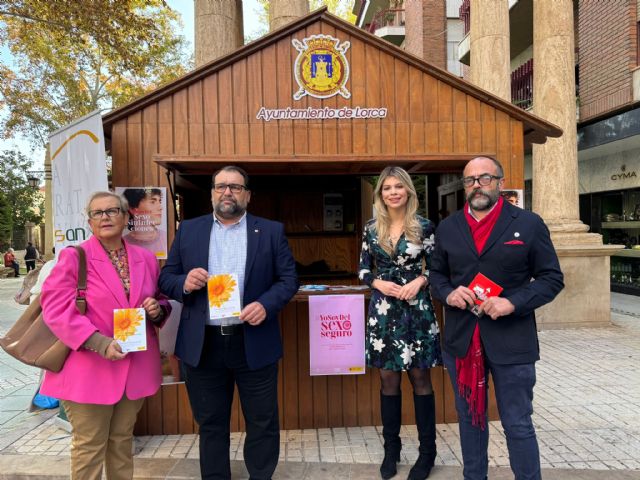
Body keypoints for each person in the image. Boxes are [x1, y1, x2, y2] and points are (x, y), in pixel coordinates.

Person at [159, 166, 298, 480]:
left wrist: (266, 305)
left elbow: (289, 279)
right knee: (211, 423)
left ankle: (260, 476)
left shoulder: (271, 231)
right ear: (212, 193)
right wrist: (184, 282)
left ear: (247, 195)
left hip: (253, 340)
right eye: (221, 186)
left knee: (262, 421)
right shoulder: (189, 230)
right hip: (203, 344)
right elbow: (166, 278)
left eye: (235, 187)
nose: (227, 192)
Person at [429, 156, 564, 480]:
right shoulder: (448, 228)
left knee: (517, 422)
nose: (477, 185)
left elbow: (551, 279)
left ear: (500, 183)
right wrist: (448, 293)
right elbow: (436, 276)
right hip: (463, 342)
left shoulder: (529, 224)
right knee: (470, 421)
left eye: (485, 178)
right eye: (470, 180)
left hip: (512, 340)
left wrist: (512, 303)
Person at [40, 191, 171, 480]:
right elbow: (56, 310)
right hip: (88, 367)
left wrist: (156, 309)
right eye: (97, 213)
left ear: (125, 217)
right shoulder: (74, 258)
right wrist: (100, 343)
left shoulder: (146, 258)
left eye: (112, 211)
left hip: (134, 366)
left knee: (122, 441)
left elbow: (160, 299)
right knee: (89, 446)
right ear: (89, 222)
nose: (105, 217)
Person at [358, 166, 442, 480]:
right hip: (383, 313)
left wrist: (420, 281)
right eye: (387, 188)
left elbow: (438, 268)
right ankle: (391, 451)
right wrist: (377, 283)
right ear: (381, 194)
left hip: (416, 312)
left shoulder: (425, 227)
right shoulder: (371, 228)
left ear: (408, 191)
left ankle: (427, 453)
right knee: (388, 381)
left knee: (420, 379)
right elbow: (363, 270)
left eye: (398, 187)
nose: (393, 192)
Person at [121, 188, 167, 257]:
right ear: (133, 209)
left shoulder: (166, 238)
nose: (160, 207)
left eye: (159, 201)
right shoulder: (122, 242)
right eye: (152, 202)